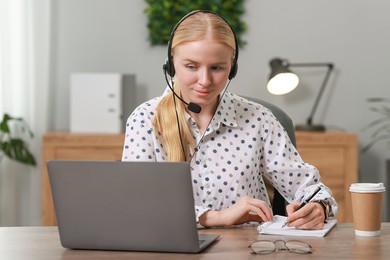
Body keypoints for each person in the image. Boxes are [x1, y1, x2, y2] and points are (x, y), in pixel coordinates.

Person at [122, 10, 338, 229]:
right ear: (171, 65)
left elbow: (308, 187)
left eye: (217, 68)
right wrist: (217, 217)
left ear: (232, 68)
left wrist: (319, 206)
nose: (205, 81)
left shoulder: (258, 118)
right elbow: (137, 203)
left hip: (248, 250)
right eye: (191, 66)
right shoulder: (144, 120)